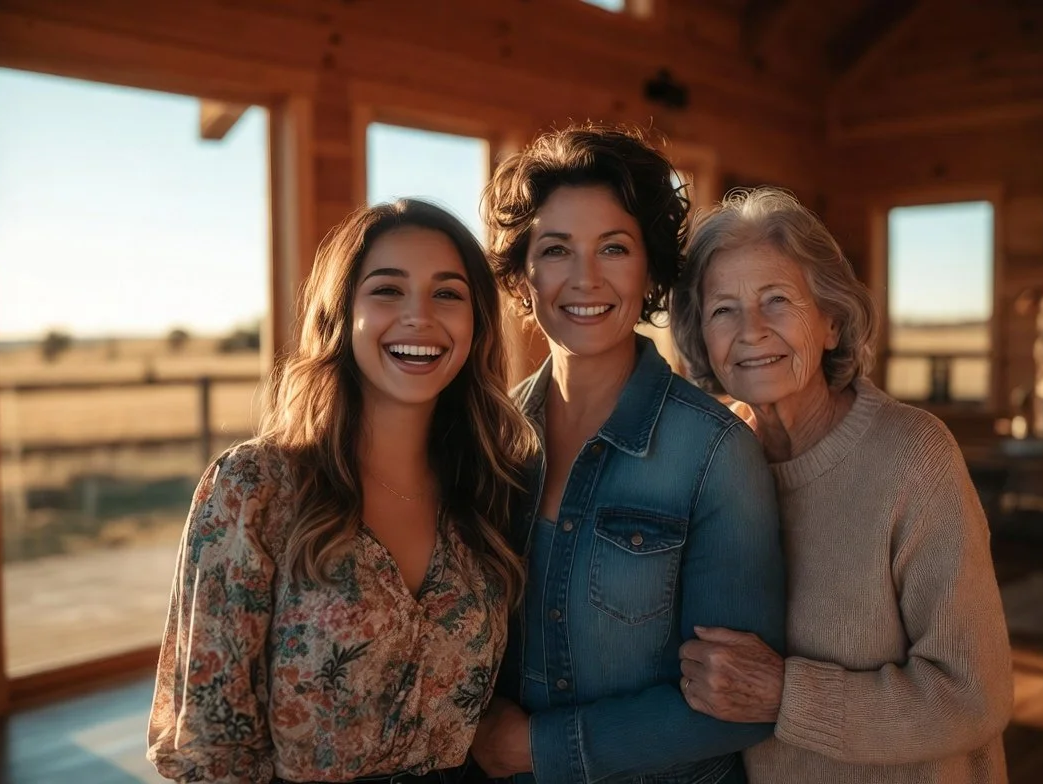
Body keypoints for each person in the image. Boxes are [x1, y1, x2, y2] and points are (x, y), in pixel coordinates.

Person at [147, 200, 536, 784]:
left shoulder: (490, 491)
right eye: (387, 290)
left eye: (447, 294)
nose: (419, 317)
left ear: (476, 322)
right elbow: (210, 750)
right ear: (340, 315)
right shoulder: (254, 490)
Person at [469, 125, 787, 784]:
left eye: (614, 247)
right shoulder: (485, 440)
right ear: (523, 276)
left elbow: (739, 707)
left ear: (650, 273)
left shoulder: (714, 454)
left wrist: (536, 748)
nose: (585, 278)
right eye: (556, 249)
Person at [669, 187, 1015, 783]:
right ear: (702, 337)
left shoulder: (913, 455)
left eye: (776, 300)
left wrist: (786, 697)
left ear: (831, 321)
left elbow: (974, 696)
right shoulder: (711, 463)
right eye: (723, 309)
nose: (750, 330)